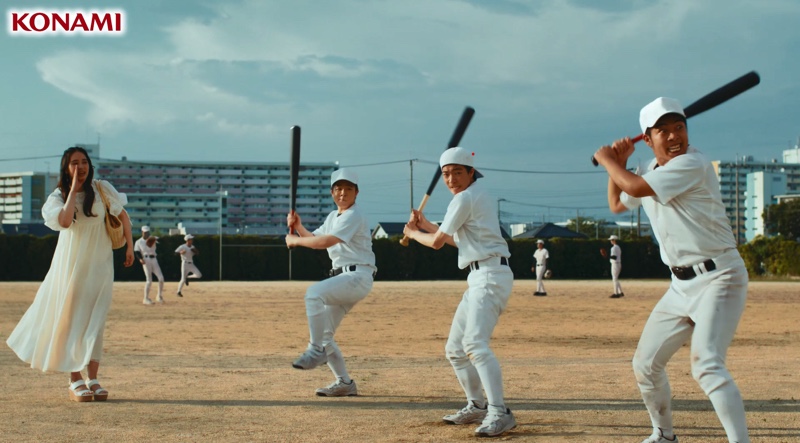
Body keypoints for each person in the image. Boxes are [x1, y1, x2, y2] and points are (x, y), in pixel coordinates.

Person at [593, 97, 750, 443]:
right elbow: (618, 202)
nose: (674, 136)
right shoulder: (650, 169)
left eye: (679, 127)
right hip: (680, 286)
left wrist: (608, 161)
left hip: (720, 276)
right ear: (647, 139)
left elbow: (631, 187)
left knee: (706, 363)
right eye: (663, 131)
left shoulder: (693, 163)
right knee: (645, 365)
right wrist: (619, 164)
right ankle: (664, 435)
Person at [6, 146, 134, 402]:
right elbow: (64, 222)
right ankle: (75, 377)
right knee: (72, 318)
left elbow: (123, 215)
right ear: (66, 168)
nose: (81, 167)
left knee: (96, 318)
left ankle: (93, 377)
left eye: (84, 162)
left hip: (100, 262)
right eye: (74, 163)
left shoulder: (102, 188)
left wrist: (130, 246)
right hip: (71, 264)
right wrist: (73, 190)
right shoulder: (58, 196)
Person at [403, 147, 516, 438]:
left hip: (489, 275)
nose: (451, 178)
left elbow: (438, 242)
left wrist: (414, 233)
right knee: (455, 349)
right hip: (481, 274)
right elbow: (459, 239)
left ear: (470, 173)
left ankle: (499, 412)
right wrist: (425, 224)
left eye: (457, 172)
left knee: (474, 345)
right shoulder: (474, 195)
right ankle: (477, 405)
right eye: (445, 174)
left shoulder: (465, 197)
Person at [285, 168, 376, 397]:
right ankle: (344, 382)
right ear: (331, 192)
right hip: (344, 278)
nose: (343, 193)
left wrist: (295, 242)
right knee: (326, 334)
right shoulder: (334, 216)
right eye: (338, 189)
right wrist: (298, 228)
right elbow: (314, 237)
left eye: (348, 189)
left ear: (357, 192)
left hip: (356, 276)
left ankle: (315, 350)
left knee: (313, 294)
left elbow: (324, 242)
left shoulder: (354, 215)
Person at [134, 225, 165, 305]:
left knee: (161, 278)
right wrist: (140, 259)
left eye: (147, 232)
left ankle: (159, 296)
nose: (146, 234)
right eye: (145, 232)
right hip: (146, 259)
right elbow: (137, 252)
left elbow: (160, 241)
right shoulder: (139, 241)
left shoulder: (152, 238)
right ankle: (145, 298)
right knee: (149, 280)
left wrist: (155, 239)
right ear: (142, 232)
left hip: (154, 259)